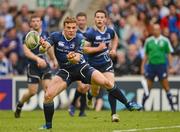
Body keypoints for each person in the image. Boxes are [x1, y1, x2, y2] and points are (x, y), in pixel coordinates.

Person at [39, 16, 142, 129]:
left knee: (107, 83)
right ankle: (48, 126)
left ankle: (128, 104)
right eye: (68, 27)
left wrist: (72, 57)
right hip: (65, 71)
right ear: (64, 27)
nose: (71, 30)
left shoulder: (79, 38)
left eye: (73, 28)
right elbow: (46, 46)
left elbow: (77, 58)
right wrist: (43, 46)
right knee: (48, 95)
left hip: (82, 68)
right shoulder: (55, 36)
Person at [83, 10, 142, 122]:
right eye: (97, 17)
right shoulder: (90, 33)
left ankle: (114, 114)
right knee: (95, 91)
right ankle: (90, 95)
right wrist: (98, 49)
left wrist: (114, 49)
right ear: (94, 19)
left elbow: (115, 38)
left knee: (111, 86)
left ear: (105, 19)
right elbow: (84, 49)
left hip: (106, 64)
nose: (99, 19)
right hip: (93, 67)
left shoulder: (110, 31)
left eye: (101, 17)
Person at [14, 14, 58, 118]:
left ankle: (47, 117)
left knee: (48, 90)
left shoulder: (46, 34)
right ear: (30, 23)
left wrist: (53, 59)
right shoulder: (28, 36)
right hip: (33, 67)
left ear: (41, 22)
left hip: (45, 66)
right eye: (33, 21)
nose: (35, 23)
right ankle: (20, 104)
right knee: (32, 92)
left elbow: (49, 48)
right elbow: (26, 52)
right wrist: (38, 59)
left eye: (37, 21)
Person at [141, 23, 175, 111]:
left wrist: (171, 66)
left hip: (161, 66)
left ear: (160, 30)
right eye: (154, 29)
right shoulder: (148, 41)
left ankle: (172, 107)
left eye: (157, 29)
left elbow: (169, 54)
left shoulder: (165, 40)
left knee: (166, 86)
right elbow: (146, 55)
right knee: (148, 87)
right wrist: (142, 66)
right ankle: (142, 106)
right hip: (151, 66)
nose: (155, 31)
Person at [68, 12, 90, 117]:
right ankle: (79, 109)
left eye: (83, 20)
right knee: (82, 86)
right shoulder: (73, 33)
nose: (81, 22)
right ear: (76, 21)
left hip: (88, 63)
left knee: (85, 88)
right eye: (79, 20)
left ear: (86, 20)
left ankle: (77, 108)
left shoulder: (90, 32)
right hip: (76, 63)